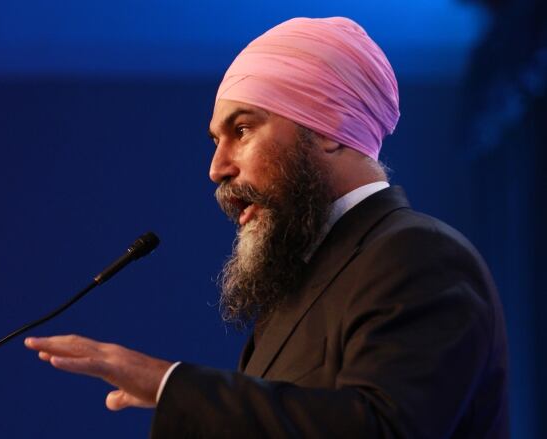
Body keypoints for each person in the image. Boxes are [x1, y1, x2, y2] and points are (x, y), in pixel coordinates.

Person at [25, 17, 509, 438]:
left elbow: (383, 428)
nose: (217, 168)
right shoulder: (303, 286)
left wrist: (170, 384)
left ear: (328, 128)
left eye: (241, 130)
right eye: (216, 140)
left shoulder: (417, 254)